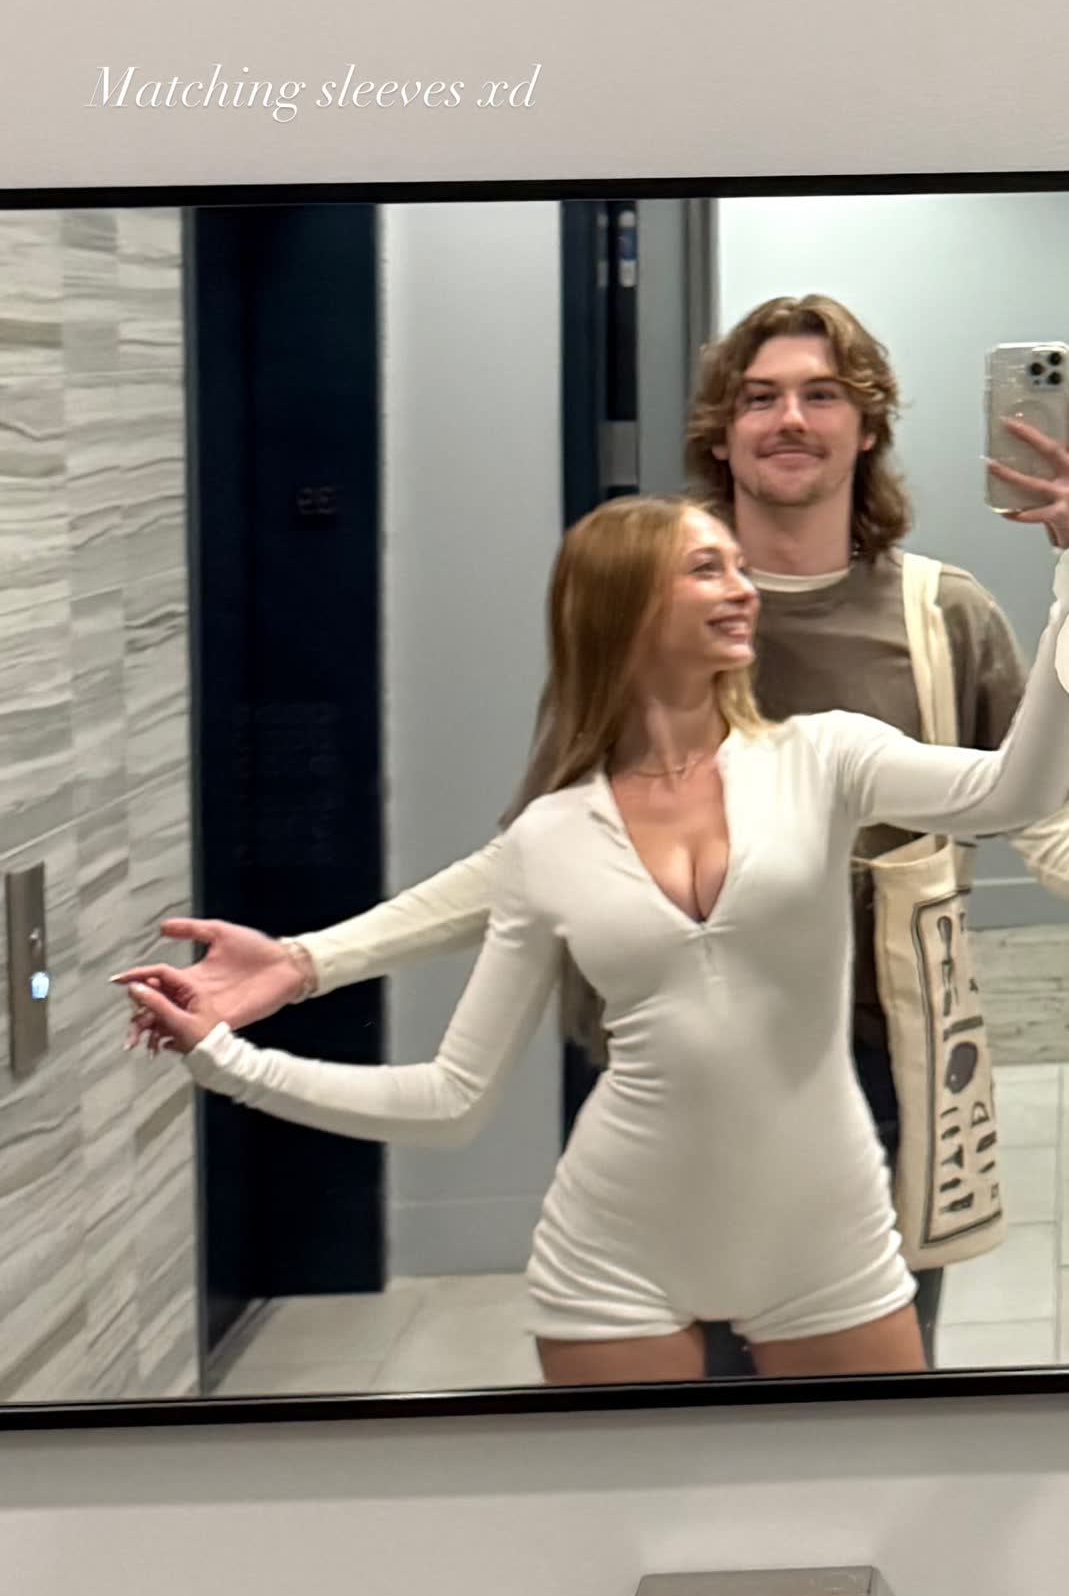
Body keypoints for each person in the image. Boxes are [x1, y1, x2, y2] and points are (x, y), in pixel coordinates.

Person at [118, 294, 1069, 1374]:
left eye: (821, 395)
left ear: (866, 426)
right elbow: (537, 864)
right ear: (720, 434)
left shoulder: (928, 628)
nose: (790, 419)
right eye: (760, 398)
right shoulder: (640, 638)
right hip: (653, 1063)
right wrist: (303, 964)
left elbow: (1027, 800)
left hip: (885, 1055)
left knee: (856, 1430)